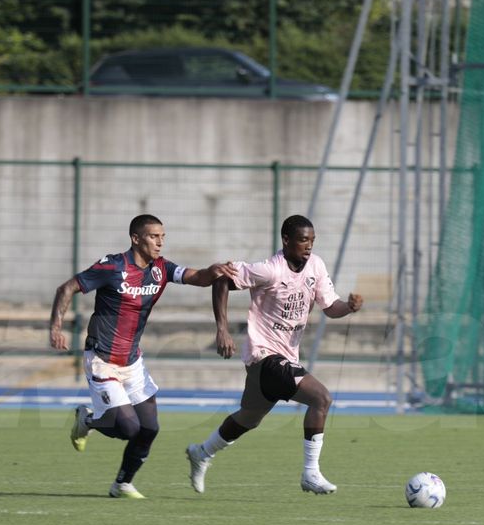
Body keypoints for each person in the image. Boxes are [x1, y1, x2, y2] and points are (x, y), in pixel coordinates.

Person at [49, 214, 237, 499]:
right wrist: (56, 327)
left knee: (149, 428)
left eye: (163, 236)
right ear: (136, 239)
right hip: (102, 358)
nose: (160, 242)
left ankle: (122, 484)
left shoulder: (161, 269)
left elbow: (198, 278)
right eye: (153, 236)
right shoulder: (112, 266)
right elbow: (67, 288)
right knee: (127, 427)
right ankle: (87, 421)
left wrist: (214, 271)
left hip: (133, 362)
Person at [186, 214, 363, 496]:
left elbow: (330, 307)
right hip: (264, 356)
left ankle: (202, 452)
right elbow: (220, 278)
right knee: (321, 398)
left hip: (283, 358)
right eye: (304, 240)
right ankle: (310, 473)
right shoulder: (269, 270)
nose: (309, 246)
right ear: (286, 240)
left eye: (312, 240)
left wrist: (349, 307)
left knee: (249, 417)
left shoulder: (315, 266)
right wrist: (223, 329)